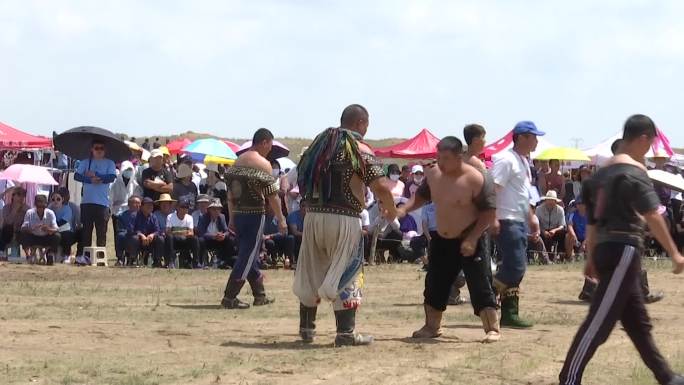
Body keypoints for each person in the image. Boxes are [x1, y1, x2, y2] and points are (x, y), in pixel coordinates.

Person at [559, 114, 684, 385]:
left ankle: (666, 376)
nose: (649, 150)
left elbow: (592, 222)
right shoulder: (634, 172)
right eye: (649, 144)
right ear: (642, 139)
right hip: (623, 250)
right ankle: (569, 378)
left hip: (607, 249)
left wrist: (591, 256)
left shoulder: (599, 175)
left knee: (638, 323)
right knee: (599, 322)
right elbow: (652, 215)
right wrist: (674, 253)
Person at [293, 104, 397, 346]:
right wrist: (390, 209)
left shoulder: (320, 146)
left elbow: (301, 176)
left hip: (313, 217)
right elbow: (379, 185)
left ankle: (307, 329)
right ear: (361, 123)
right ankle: (345, 334)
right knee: (348, 272)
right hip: (344, 219)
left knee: (312, 270)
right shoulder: (357, 147)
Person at [398, 136, 500, 343]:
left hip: (471, 238)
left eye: (445, 158)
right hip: (442, 239)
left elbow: (488, 214)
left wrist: (472, 238)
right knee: (435, 283)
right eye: (439, 157)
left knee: (480, 284)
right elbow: (421, 197)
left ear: (459, 157)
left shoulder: (477, 178)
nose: (441, 162)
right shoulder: (434, 175)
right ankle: (431, 327)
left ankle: (493, 329)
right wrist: (404, 209)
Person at [577, 138, 665, 305]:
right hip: (617, 229)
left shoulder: (607, 172)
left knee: (607, 261)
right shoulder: (624, 173)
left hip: (609, 228)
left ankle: (590, 291)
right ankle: (639, 293)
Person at [222, 128, 285, 309]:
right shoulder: (263, 164)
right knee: (247, 256)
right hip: (254, 215)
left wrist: (232, 218)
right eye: (270, 146)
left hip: (239, 214)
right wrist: (281, 219)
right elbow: (272, 195)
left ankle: (259, 295)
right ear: (264, 142)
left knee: (247, 255)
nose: (270, 150)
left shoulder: (238, 161)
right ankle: (230, 296)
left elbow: (230, 195)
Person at [491, 121, 546, 329]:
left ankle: (510, 313)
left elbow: (523, 195)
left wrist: (531, 217)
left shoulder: (523, 162)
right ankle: (486, 293)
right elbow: (493, 189)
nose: (537, 141)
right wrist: (493, 217)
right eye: (533, 137)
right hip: (506, 218)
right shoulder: (506, 160)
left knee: (516, 268)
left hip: (518, 219)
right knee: (516, 266)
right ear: (522, 137)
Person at [74, 140, 116, 251]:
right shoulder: (85, 162)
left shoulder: (110, 163)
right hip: (87, 202)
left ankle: (100, 257)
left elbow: (111, 177)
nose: (99, 150)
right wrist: (89, 180)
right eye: (96, 148)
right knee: (86, 232)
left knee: (101, 232)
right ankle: (85, 256)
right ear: (91, 149)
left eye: (101, 148)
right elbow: (77, 176)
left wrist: (97, 175)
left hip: (102, 203)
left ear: (105, 150)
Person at [110, 160, 142, 260]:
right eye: (126, 170)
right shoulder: (115, 184)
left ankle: (130, 255)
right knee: (118, 234)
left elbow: (138, 198)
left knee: (131, 234)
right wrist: (112, 208)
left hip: (131, 213)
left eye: (130, 170)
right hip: (117, 213)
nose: (128, 172)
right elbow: (111, 198)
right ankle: (119, 256)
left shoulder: (135, 184)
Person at [19, 195, 59, 264]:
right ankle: (28, 255)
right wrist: (32, 228)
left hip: (46, 237)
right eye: (38, 207)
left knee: (57, 236)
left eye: (43, 207)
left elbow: (56, 229)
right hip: (33, 237)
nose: (40, 209)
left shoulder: (50, 213)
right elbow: (23, 228)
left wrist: (48, 229)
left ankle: (50, 255)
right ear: (35, 205)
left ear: (46, 206)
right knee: (22, 234)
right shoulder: (30, 213)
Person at [126, 197, 164, 267]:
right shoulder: (134, 215)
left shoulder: (153, 217)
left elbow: (158, 230)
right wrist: (140, 235)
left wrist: (152, 235)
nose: (150, 207)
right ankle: (133, 260)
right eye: (148, 205)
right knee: (134, 238)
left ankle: (157, 261)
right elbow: (130, 230)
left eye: (151, 205)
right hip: (138, 241)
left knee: (160, 238)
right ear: (142, 206)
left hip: (150, 241)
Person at [197, 199, 234, 268]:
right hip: (207, 241)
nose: (216, 211)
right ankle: (202, 262)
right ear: (209, 210)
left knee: (230, 239)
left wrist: (223, 235)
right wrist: (214, 236)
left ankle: (224, 262)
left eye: (218, 209)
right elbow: (201, 233)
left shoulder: (222, 217)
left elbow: (226, 231)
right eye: (214, 209)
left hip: (219, 240)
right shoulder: (203, 217)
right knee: (200, 240)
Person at [48, 189, 81, 263]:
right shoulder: (49, 208)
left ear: (62, 199)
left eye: (58, 199)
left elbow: (62, 222)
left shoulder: (68, 208)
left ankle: (67, 255)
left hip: (66, 231)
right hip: (53, 231)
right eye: (53, 199)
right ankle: (51, 255)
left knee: (67, 235)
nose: (55, 201)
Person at [165, 199, 200, 269]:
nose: (185, 209)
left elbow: (191, 232)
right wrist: (184, 231)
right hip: (174, 241)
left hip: (185, 240)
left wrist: (175, 230)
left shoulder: (189, 218)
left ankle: (196, 263)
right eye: (182, 207)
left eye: (186, 207)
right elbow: (168, 231)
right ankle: (171, 262)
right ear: (177, 207)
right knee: (169, 237)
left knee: (195, 238)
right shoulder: (170, 216)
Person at [535, 190, 568, 261]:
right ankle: (543, 257)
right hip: (542, 230)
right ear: (545, 200)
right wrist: (543, 231)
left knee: (563, 232)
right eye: (549, 200)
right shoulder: (538, 209)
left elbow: (562, 225)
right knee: (537, 234)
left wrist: (554, 230)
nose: (550, 202)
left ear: (555, 201)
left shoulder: (560, 210)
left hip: (555, 231)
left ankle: (561, 255)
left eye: (552, 200)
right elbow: (536, 224)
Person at [1, 187, 29, 255]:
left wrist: (24, 210)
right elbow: (8, 222)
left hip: (21, 231)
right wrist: (14, 211)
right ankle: (2, 252)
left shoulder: (27, 209)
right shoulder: (6, 208)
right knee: (6, 229)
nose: (21, 197)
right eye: (19, 194)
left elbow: (28, 223)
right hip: (7, 232)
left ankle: (26, 255)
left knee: (24, 234)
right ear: (13, 196)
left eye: (23, 195)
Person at [115, 196, 141, 265]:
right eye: (134, 203)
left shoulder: (143, 215)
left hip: (139, 236)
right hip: (126, 234)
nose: (137, 205)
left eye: (139, 203)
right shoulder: (122, 216)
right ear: (129, 204)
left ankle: (133, 259)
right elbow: (120, 229)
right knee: (120, 235)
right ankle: (120, 258)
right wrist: (129, 233)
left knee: (135, 238)